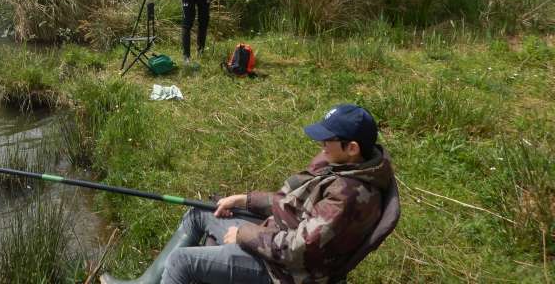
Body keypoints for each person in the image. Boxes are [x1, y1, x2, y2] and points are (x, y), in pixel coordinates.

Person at [100, 104, 398, 284]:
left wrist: (245, 234)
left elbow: (299, 250)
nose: (321, 144)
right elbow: (292, 203)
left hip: (284, 272)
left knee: (181, 262)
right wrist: (244, 200)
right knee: (201, 213)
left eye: (327, 140)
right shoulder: (344, 166)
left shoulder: (347, 197)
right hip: (273, 239)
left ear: (352, 147)